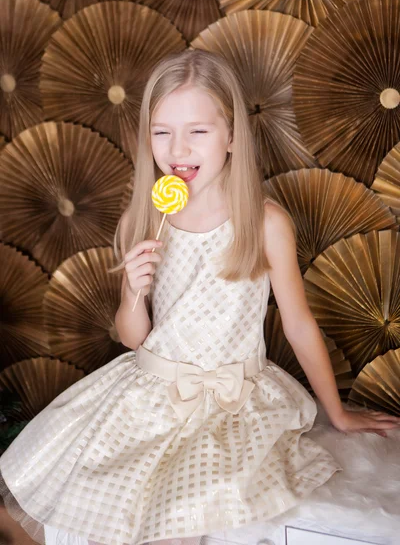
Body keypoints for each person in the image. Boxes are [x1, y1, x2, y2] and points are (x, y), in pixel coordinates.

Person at [1, 50, 399, 545]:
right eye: (162, 131)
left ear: (232, 135)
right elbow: (134, 338)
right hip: (148, 393)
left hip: (233, 404)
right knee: (88, 507)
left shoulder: (265, 223)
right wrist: (131, 293)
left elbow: (297, 323)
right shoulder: (143, 219)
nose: (178, 147)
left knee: (176, 525)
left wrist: (336, 411)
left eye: (198, 131)